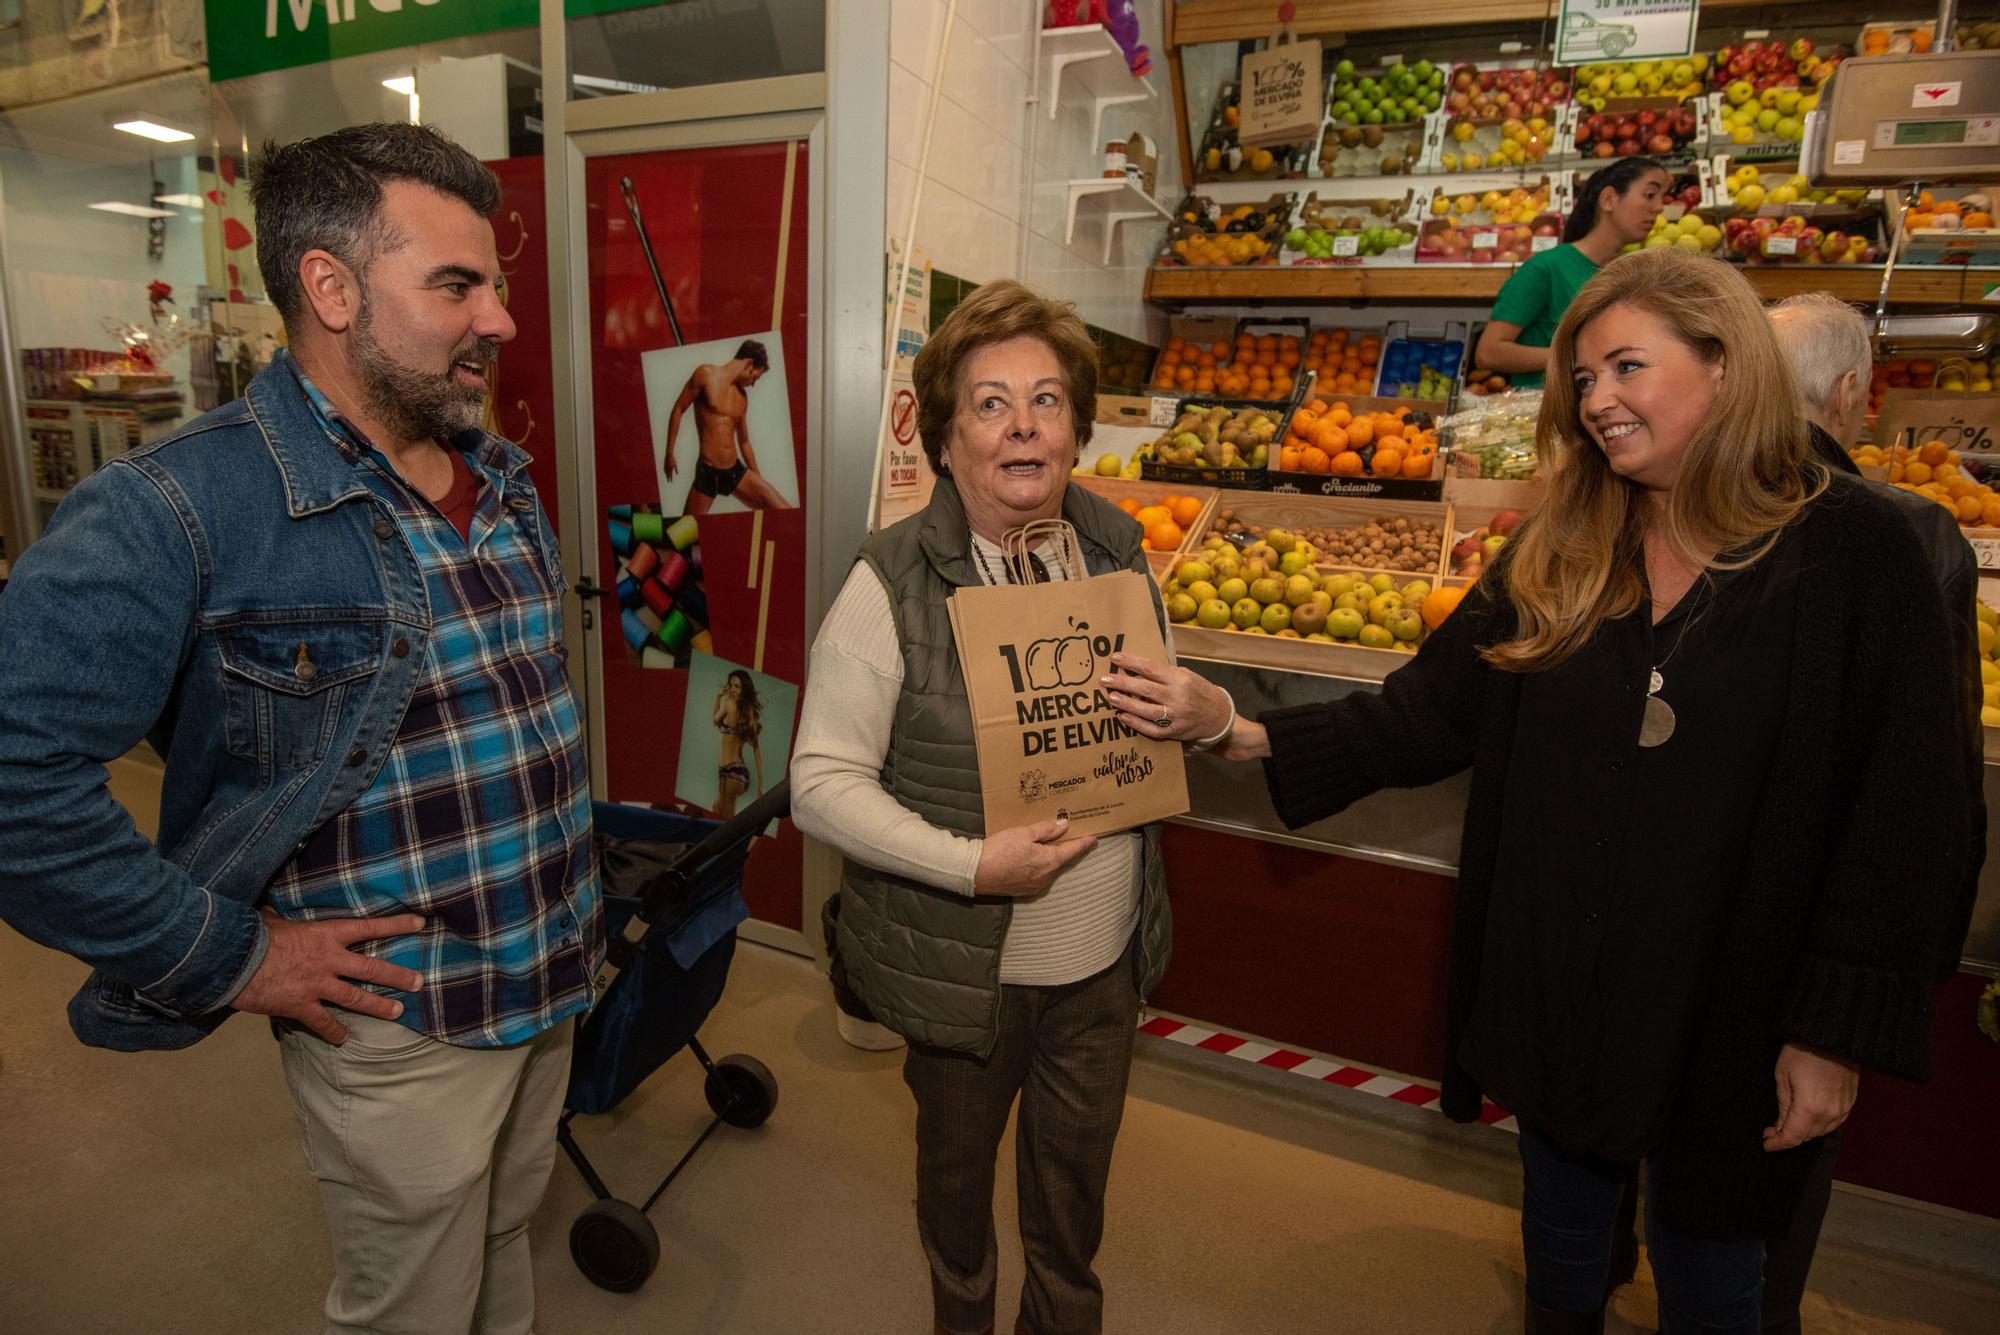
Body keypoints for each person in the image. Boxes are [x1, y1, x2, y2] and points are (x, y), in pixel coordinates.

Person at [1104, 248, 1975, 1335]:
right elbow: (1427, 711)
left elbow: (1903, 815)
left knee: (1713, 1284)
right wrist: (1234, 727)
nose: (1594, 400)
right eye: (1580, 378)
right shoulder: (1565, 544)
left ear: (1722, 362)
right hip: (1564, 986)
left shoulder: (1856, 549)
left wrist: (1831, 1031)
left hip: (1735, 1009)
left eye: (1623, 367)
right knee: (1562, 1269)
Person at [0, 123, 599, 1335]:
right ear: (329, 288)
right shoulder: (176, 505)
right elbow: (16, 781)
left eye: (495, 283)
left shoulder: (503, 476)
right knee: (413, 1302)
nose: (499, 321)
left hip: (550, 975)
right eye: (456, 285)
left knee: (499, 1242)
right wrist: (233, 955)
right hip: (401, 1022)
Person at [790, 278, 1224, 1335]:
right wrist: (972, 864)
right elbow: (818, 784)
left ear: (1076, 428)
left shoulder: (1122, 552)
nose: (1022, 425)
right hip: (963, 970)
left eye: (1044, 401)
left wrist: (1205, 711)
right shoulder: (887, 583)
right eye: (989, 403)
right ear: (944, 441)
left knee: (1072, 1202)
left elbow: (1154, 722)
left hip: (1102, 960)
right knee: (955, 1189)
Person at [1759, 291, 1986, 1335]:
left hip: (1695, 905)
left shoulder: (1684, 500)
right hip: (1818, 927)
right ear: (1851, 392)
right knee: (1777, 1164)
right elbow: (1931, 781)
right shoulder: (1914, 532)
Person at [1476, 157, 1670, 388]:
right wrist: (1573, 358)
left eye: (1661, 198)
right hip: (1543, 414)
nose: (1659, 207)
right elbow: (1488, 352)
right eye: (1649, 195)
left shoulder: (1627, 274)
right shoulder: (1546, 267)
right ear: (1608, 199)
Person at [663, 338, 794, 512]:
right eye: (755, 378)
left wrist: (759, 481)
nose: (753, 385)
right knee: (684, 532)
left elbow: (744, 442)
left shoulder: (742, 397)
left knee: (783, 509)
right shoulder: (706, 374)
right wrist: (669, 453)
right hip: (707, 474)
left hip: (734, 473)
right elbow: (679, 408)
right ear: (749, 363)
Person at [713, 668, 766, 818]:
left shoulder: (730, 705)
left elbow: (715, 720)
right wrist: (760, 785)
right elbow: (757, 751)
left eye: (737, 686)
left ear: (744, 690)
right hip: (730, 771)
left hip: (732, 771)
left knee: (726, 819)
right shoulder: (747, 712)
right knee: (717, 809)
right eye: (731, 685)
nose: (732, 689)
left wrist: (718, 697)